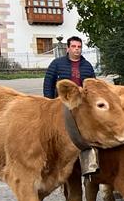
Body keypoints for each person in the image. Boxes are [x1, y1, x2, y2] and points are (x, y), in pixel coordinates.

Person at [42, 35, 99, 175]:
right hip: (62, 106)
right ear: (67, 48)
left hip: (82, 108)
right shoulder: (57, 64)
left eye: (79, 47)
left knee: (87, 137)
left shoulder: (87, 66)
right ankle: (56, 166)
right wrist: (48, 104)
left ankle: (89, 166)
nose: (76, 50)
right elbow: (48, 84)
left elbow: (92, 86)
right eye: (73, 47)